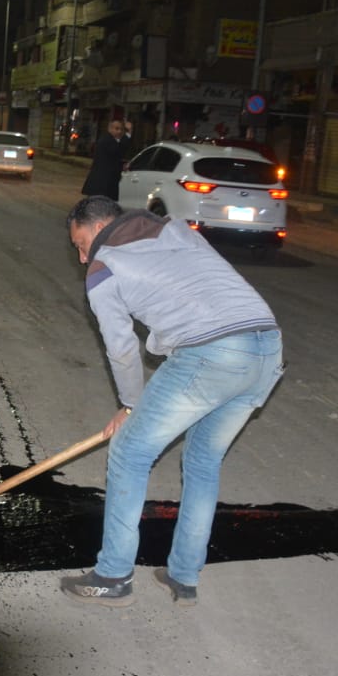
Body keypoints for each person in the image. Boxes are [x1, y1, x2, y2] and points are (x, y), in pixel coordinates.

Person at [59, 196, 284, 608]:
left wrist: (130, 405)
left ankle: (113, 576)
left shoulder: (103, 267)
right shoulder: (177, 229)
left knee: (129, 453)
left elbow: (122, 349)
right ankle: (183, 576)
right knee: (202, 461)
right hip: (267, 346)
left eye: (79, 243)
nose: (80, 257)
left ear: (95, 229)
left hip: (212, 353)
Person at [80, 119, 133, 202]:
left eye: (121, 129)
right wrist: (128, 134)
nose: (119, 132)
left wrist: (122, 165)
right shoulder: (107, 140)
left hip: (104, 185)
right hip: (101, 185)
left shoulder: (112, 141)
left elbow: (115, 158)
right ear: (110, 129)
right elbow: (118, 150)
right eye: (116, 128)